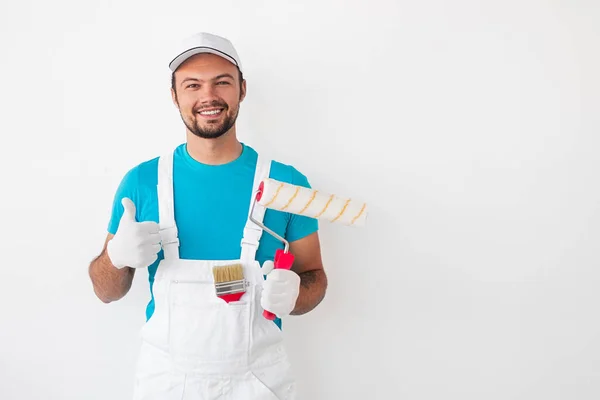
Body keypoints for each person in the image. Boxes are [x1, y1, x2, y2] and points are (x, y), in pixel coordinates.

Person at [88, 32, 328, 399]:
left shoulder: (288, 185)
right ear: (175, 96)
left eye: (222, 82)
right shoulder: (140, 184)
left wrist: (297, 293)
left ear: (242, 89)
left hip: (258, 386)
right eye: (192, 84)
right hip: (165, 385)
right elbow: (105, 292)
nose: (208, 96)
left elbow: (315, 277)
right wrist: (116, 258)